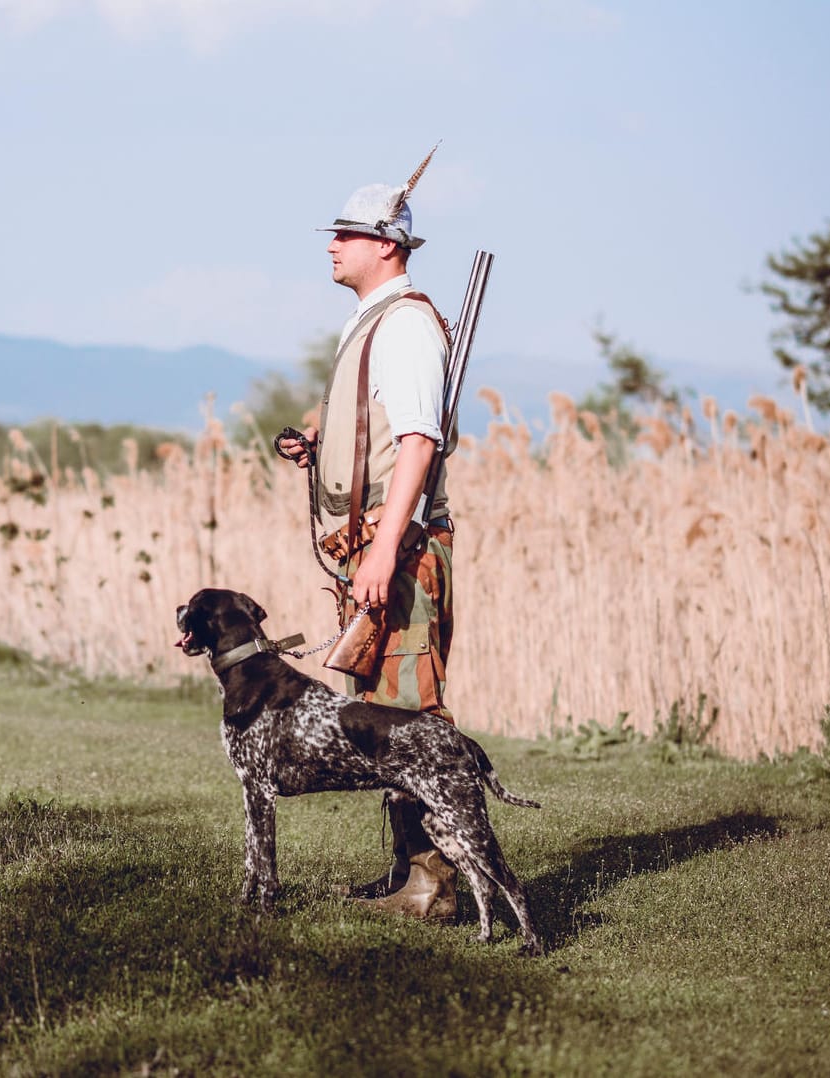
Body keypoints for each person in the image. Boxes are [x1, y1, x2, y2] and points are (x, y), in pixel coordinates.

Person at [277, 175, 459, 921]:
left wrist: (383, 553)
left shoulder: (406, 324)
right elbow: (380, 424)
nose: (331, 245)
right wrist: (318, 444)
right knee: (382, 715)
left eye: (345, 235)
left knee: (409, 714)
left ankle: (435, 889)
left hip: (400, 543)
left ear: (384, 246)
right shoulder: (372, 320)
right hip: (375, 539)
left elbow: (418, 442)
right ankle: (406, 875)